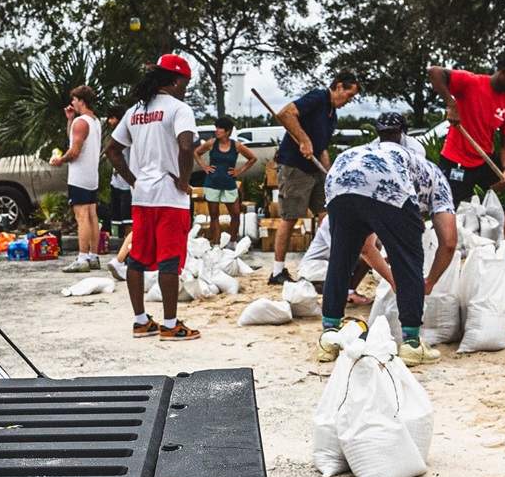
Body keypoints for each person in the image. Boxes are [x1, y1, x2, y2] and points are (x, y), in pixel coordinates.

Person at [317, 110, 457, 367]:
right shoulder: (433, 173)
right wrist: (427, 282)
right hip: (389, 185)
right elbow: (448, 242)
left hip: (339, 177)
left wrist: (394, 280)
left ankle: (329, 336)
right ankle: (413, 344)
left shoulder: (360, 152)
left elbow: (365, 247)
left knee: (340, 258)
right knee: (409, 259)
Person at [106, 54, 201, 341]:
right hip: (170, 198)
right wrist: (184, 181)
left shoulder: (135, 111)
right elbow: (186, 147)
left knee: (137, 258)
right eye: (185, 82)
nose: (186, 87)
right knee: (170, 259)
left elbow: (112, 149)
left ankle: (140, 321)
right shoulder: (179, 108)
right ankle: (171, 325)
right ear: (175, 80)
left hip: (142, 197)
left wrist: (134, 180)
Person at [428, 54, 505, 259]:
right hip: (455, 160)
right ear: (503, 70)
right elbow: (434, 72)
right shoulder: (471, 82)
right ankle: (438, 252)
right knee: (450, 212)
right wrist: (451, 103)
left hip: (483, 159)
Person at [268, 72, 361, 283]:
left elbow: (322, 148)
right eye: (348, 94)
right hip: (294, 166)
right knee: (290, 217)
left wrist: (329, 175)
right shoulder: (318, 98)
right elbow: (285, 114)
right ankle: (277, 271)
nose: (348, 101)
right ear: (338, 86)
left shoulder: (332, 115)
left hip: (314, 169)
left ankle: (328, 263)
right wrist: (303, 139)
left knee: (326, 214)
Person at [53, 84, 103, 272]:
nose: (72, 102)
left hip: (79, 175)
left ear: (81, 101)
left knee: (81, 216)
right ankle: (93, 256)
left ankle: (82, 257)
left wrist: (60, 160)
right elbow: (74, 139)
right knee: (92, 215)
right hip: (92, 175)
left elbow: (74, 151)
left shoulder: (81, 123)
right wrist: (70, 120)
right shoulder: (94, 121)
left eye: (74, 99)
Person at [196, 116, 258, 240]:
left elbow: (253, 158)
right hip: (212, 183)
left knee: (235, 215)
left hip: (229, 184)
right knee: (214, 215)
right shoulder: (212, 143)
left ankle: (232, 242)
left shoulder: (237, 146)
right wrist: (204, 167)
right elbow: (196, 153)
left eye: (220, 128)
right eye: (216, 128)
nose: (217, 130)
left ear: (228, 131)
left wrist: (239, 171)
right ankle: (217, 244)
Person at [102, 108, 136, 280]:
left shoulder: (128, 134)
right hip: (118, 183)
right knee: (124, 223)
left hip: (128, 186)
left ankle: (127, 257)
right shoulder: (116, 136)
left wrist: (132, 181)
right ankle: (125, 257)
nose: (110, 121)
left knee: (132, 223)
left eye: (113, 118)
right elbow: (110, 152)